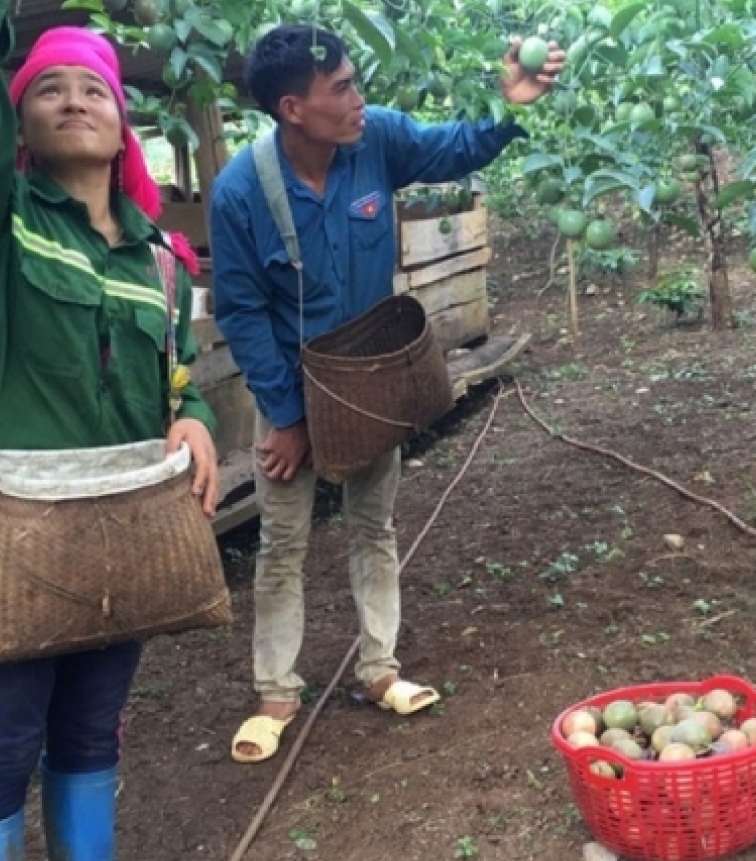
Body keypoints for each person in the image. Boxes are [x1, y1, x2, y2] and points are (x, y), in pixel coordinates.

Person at [0, 0, 220, 861]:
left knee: (93, 730)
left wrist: (195, 416)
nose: (74, 100)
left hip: (122, 537)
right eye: (47, 88)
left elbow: (180, 376)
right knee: (3, 740)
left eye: (94, 88)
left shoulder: (160, 260)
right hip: (12, 539)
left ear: (122, 123)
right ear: (18, 122)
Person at [209, 24, 564, 764]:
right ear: (292, 109)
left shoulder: (378, 140)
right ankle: (276, 691)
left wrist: (509, 106)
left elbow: (454, 146)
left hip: (369, 384)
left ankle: (379, 669)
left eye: (355, 81)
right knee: (282, 542)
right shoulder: (242, 191)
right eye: (341, 88)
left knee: (373, 526)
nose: (359, 99)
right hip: (290, 388)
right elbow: (241, 312)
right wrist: (287, 417)